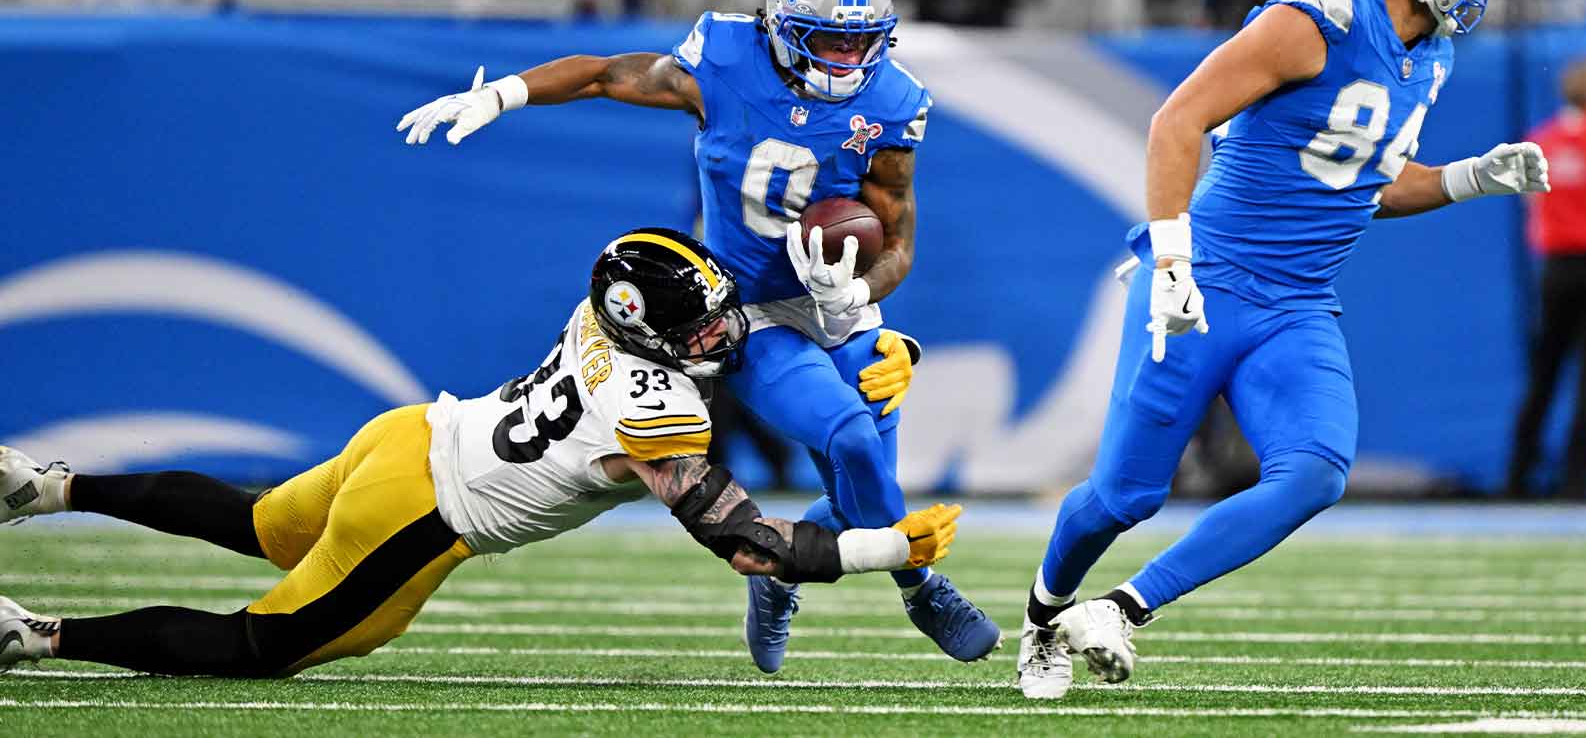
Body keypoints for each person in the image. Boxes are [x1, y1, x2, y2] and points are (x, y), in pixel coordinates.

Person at [393, 0, 1001, 672]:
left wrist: (859, 292)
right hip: (753, 315)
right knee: (847, 437)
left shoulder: (895, 100)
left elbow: (899, 239)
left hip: (842, 308)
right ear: (780, 26)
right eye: (828, 43)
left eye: (860, 44)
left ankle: (776, 583)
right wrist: (504, 92)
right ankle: (922, 590)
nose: (847, 63)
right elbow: (606, 75)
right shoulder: (725, 59)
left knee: (863, 490)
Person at [1015, 0, 1551, 699]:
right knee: (1123, 497)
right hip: (1206, 282)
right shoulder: (1318, 20)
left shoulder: (1429, 53)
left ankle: (1120, 608)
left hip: (1296, 304)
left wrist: (1468, 178)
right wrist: (1170, 259)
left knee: (1314, 470)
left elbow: (1367, 179)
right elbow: (1176, 120)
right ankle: (1043, 616)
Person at [0, 228, 959, 676]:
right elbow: (754, 546)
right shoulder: (658, 413)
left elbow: (724, 322)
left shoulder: (606, 313)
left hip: (412, 434)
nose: (718, 336)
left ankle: (46, 487)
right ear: (654, 336)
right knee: (265, 644)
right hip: (424, 514)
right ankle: (37, 637)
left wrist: (878, 339)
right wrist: (890, 548)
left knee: (262, 523)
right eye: (698, 329)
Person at [1507, 59, 1586, 499]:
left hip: (1555, 268)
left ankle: (1519, 476)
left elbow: (1530, 202)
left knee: (1545, 371)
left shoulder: (1541, 140)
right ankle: (1576, 482)